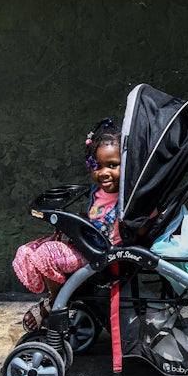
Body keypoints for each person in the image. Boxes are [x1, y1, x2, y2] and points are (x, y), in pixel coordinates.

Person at [12, 118, 124, 331]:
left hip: (100, 251)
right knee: (28, 251)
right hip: (88, 241)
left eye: (113, 165)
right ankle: (55, 293)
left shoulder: (125, 198)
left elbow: (136, 224)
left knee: (46, 255)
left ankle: (57, 300)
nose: (104, 173)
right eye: (97, 166)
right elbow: (96, 216)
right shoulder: (98, 191)